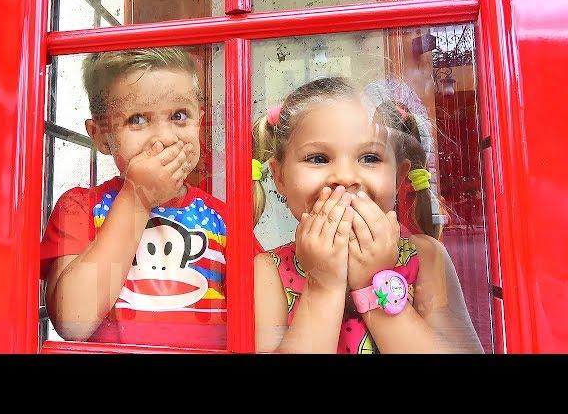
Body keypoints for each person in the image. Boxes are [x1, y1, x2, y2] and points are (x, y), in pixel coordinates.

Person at [252, 76, 484, 353]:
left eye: (370, 158)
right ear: (280, 177)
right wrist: (322, 287)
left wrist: (375, 282)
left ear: (399, 176)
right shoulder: (269, 270)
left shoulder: (426, 257)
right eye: (318, 159)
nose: (346, 177)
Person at [41, 47, 235, 349]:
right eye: (138, 120)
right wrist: (137, 199)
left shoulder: (223, 219)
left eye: (179, 115)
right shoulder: (80, 208)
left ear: (200, 120)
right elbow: (72, 321)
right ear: (102, 136)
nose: (165, 138)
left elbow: (261, 320)